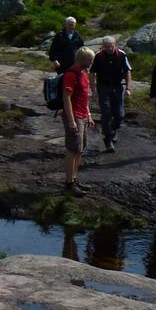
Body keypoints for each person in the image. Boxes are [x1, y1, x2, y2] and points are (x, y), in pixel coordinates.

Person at [61, 46, 96, 197]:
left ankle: (74, 179)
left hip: (82, 114)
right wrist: (71, 120)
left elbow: (84, 96)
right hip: (74, 115)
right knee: (72, 149)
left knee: (80, 149)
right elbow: (66, 98)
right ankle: (69, 183)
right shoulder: (71, 74)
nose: (91, 62)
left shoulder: (84, 73)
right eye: (90, 60)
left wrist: (89, 114)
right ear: (82, 59)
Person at [89, 35, 131, 152]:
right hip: (103, 87)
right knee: (106, 113)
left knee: (119, 114)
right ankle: (108, 139)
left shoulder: (121, 55)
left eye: (111, 46)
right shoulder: (98, 56)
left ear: (115, 45)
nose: (109, 49)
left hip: (117, 87)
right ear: (103, 46)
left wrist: (128, 88)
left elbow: (127, 71)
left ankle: (113, 130)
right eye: (106, 47)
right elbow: (91, 73)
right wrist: (93, 91)